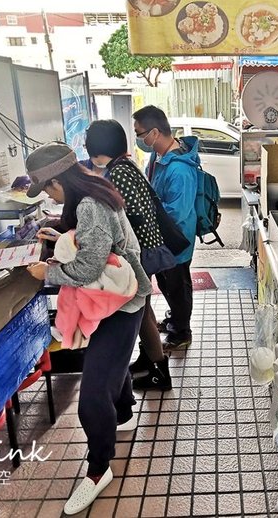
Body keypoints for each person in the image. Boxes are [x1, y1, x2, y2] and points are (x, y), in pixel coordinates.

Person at [23, 143, 151, 515]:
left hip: (119, 300)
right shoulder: (93, 189)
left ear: (61, 180)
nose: (49, 194)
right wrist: (56, 231)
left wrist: (45, 272)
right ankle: (124, 415)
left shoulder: (90, 205)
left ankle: (98, 471)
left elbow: (87, 269)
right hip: (117, 297)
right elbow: (90, 239)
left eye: (48, 188)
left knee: (93, 392)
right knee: (113, 364)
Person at [83, 119, 177, 390]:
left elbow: (128, 217)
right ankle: (149, 360)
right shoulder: (123, 166)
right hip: (143, 249)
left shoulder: (119, 172)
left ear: (97, 148)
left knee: (142, 310)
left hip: (139, 252)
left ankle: (159, 372)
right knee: (142, 309)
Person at [132, 105, 199, 351]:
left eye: (140, 134)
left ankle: (182, 332)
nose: (139, 139)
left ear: (155, 133)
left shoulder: (180, 169)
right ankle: (174, 321)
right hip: (161, 238)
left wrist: (150, 222)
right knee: (168, 284)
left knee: (177, 286)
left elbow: (177, 213)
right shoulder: (158, 157)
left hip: (175, 239)